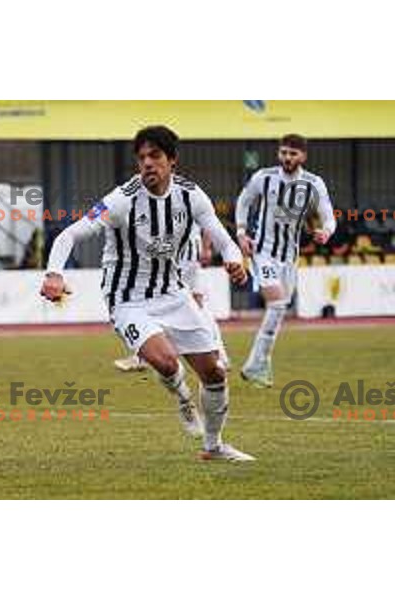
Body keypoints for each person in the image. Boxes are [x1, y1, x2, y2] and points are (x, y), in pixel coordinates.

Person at [40, 125, 254, 462]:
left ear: (172, 160)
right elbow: (69, 234)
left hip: (172, 292)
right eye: (141, 158)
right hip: (127, 298)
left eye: (155, 156)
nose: (147, 164)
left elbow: (221, 236)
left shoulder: (192, 195)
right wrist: (54, 273)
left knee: (214, 373)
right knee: (165, 361)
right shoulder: (121, 200)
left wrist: (232, 258)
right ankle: (182, 396)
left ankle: (213, 447)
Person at [235, 134, 336, 388]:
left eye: (292, 154)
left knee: (279, 311)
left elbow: (328, 216)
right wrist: (241, 232)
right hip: (263, 251)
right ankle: (253, 364)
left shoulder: (314, 184)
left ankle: (262, 362)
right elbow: (244, 201)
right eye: (283, 153)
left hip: (290, 257)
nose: (287, 158)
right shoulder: (264, 176)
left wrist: (326, 231)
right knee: (278, 303)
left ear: (303, 156)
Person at [114, 224, 229, 372]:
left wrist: (206, 247)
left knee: (174, 298)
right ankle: (220, 355)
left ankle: (143, 357)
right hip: (180, 247)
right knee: (196, 301)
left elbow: (205, 218)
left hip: (182, 249)